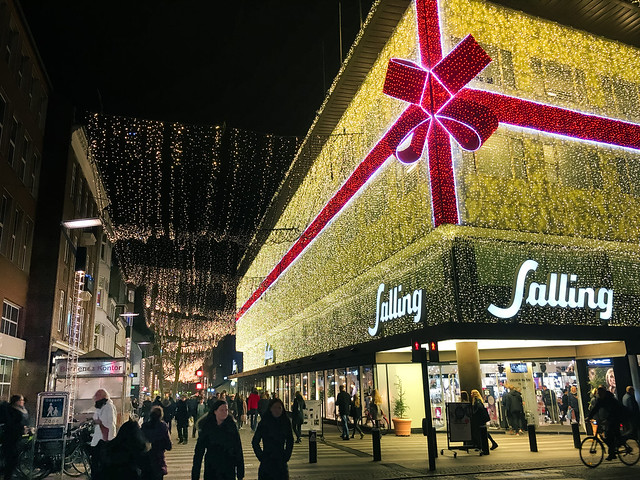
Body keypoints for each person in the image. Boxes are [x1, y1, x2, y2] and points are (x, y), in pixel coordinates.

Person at [191, 399, 244, 480]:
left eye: (226, 410)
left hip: (228, 465)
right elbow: (199, 451)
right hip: (212, 466)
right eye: (221, 410)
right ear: (215, 411)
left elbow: (238, 448)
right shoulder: (208, 427)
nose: (224, 412)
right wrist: (195, 474)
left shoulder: (231, 426)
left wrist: (240, 471)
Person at [252, 398, 293, 480]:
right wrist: (261, 456)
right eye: (274, 407)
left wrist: (287, 455)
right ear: (270, 409)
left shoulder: (285, 422)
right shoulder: (265, 422)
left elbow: (290, 440)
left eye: (279, 408)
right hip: (267, 461)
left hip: (281, 461)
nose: (277, 410)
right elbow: (255, 441)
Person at [588, 385, 628, 461]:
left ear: (603, 393)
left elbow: (614, 411)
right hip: (611, 417)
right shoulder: (601, 400)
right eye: (598, 394)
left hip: (618, 416)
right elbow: (595, 408)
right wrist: (589, 417)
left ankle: (614, 451)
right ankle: (613, 450)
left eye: (600, 394)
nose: (599, 395)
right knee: (609, 435)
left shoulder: (610, 399)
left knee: (611, 434)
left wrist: (608, 420)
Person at [1, 394, 29, 480]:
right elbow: (11, 423)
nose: (23, 402)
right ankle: (8, 475)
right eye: (21, 400)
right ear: (16, 401)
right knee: (11, 457)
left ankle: (9, 474)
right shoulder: (11, 410)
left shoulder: (21, 410)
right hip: (10, 436)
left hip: (17, 436)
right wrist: (21, 427)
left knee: (13, 457)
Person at [91, 389, 117, 480]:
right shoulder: (101, 406)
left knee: (100, 461)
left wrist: (99, 422)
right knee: (96, 460)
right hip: (99, 438)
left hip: (104, 439)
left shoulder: (108, 407)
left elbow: (109, 423)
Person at [141, 406, 172, 480]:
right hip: (158, 460)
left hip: (146, 460)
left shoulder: (144, 426)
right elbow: (168, 445)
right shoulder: (163, 426)